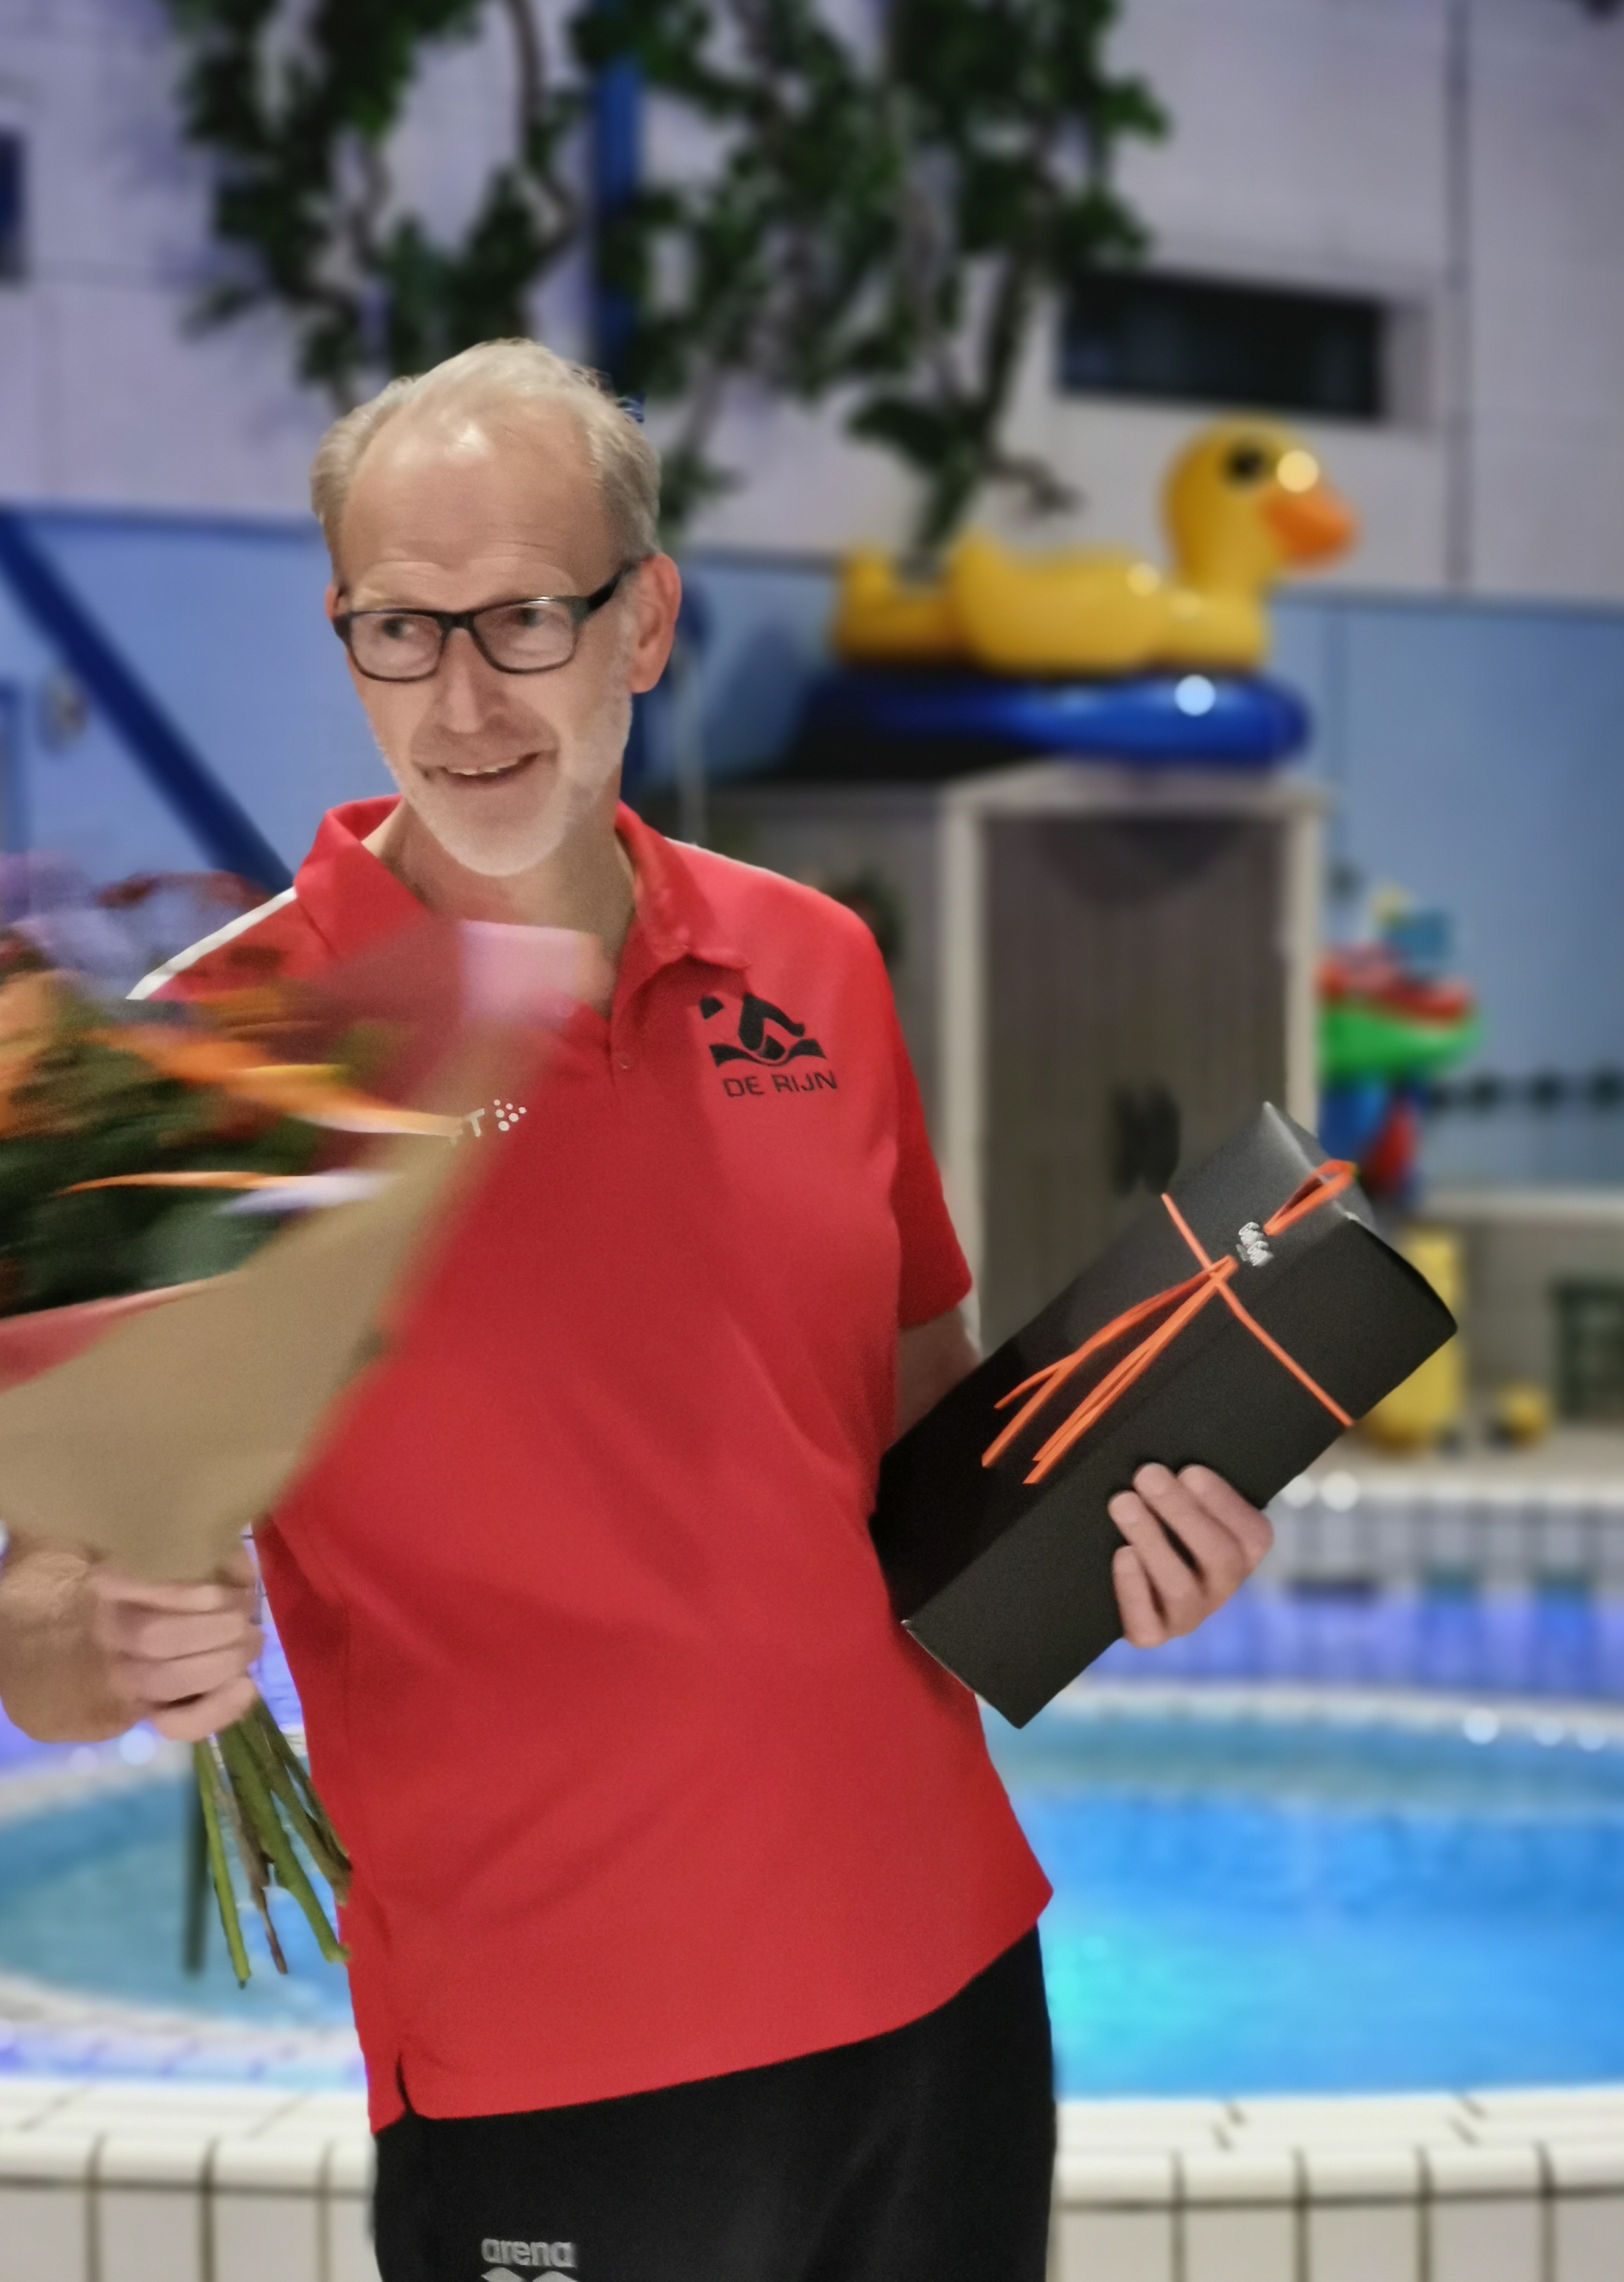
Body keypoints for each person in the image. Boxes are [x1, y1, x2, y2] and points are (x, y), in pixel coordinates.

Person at [0, 341, 1274, 2281]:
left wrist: (1128, 1543)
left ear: (646, 621)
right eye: (399, 631)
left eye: (523, 617)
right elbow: (36, 1625)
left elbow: (924, 1449)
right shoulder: (225, 1057)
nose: (463, 701)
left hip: (943, 1981)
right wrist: (111, 1641)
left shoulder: (815, 966)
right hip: (557, 2064)